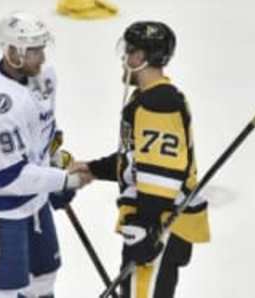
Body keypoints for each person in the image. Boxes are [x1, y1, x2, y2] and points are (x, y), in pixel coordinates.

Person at [71, 21, 210, 297]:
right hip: (155, 224)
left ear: (140, 57)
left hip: (160, 227)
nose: (124, 59)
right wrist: (94, 168)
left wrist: (146, 227)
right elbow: (139, 161)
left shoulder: (158, 103)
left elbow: (162, 175)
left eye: (129, 52)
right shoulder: (151, 97)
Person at [0, 11, 91, 298]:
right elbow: (7, 176)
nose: (42, 58)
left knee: (45, 274)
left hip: (35, 198)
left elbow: (44, 131)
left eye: (42, 48)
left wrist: (54, 162)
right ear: (12, 52)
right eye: (34, 51)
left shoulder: (44, 76)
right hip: (0, 205)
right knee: (5, 290)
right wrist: (63, 180)